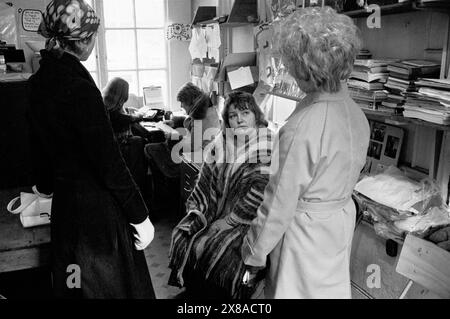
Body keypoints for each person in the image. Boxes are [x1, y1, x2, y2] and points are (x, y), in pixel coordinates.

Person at [27, 0, 155, 298]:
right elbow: (109, 163)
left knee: (75, 285)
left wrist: (45, 184)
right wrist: (140, 216)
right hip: (96, 218)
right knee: (110, 289)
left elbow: (38, 148)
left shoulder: (38, 83)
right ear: (84, 41)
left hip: (66, 210)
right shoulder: (81, 89)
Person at [241, 6, 370, 299]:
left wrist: (252, 252)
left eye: (289, 62)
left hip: (304, 237)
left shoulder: (304, 124)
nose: (287, 68)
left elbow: (278, 204)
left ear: (305, 66)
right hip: (337, 225)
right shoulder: (356, 114)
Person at [168, 91, 273, 299]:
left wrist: (229, 221)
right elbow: (205, 180)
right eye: (233, 115)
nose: (240, 119)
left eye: (245, 112)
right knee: (185, 234)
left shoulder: (266, 143)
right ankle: (195, 294)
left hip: (248, 221)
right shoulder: (222, 141)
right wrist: (199, 209)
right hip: (217, 211)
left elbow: (259, 193)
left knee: (219, 252)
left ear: (256, 116)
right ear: (227, 121)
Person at [102, 77, 147, 191]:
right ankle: (139, 185)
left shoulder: (105, 103)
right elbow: (127, 119)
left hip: (110, 148)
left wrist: (128, 110)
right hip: (119, 147)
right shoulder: (112, 114)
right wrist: (139, 115)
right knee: (139, 141)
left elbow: (122, 115)